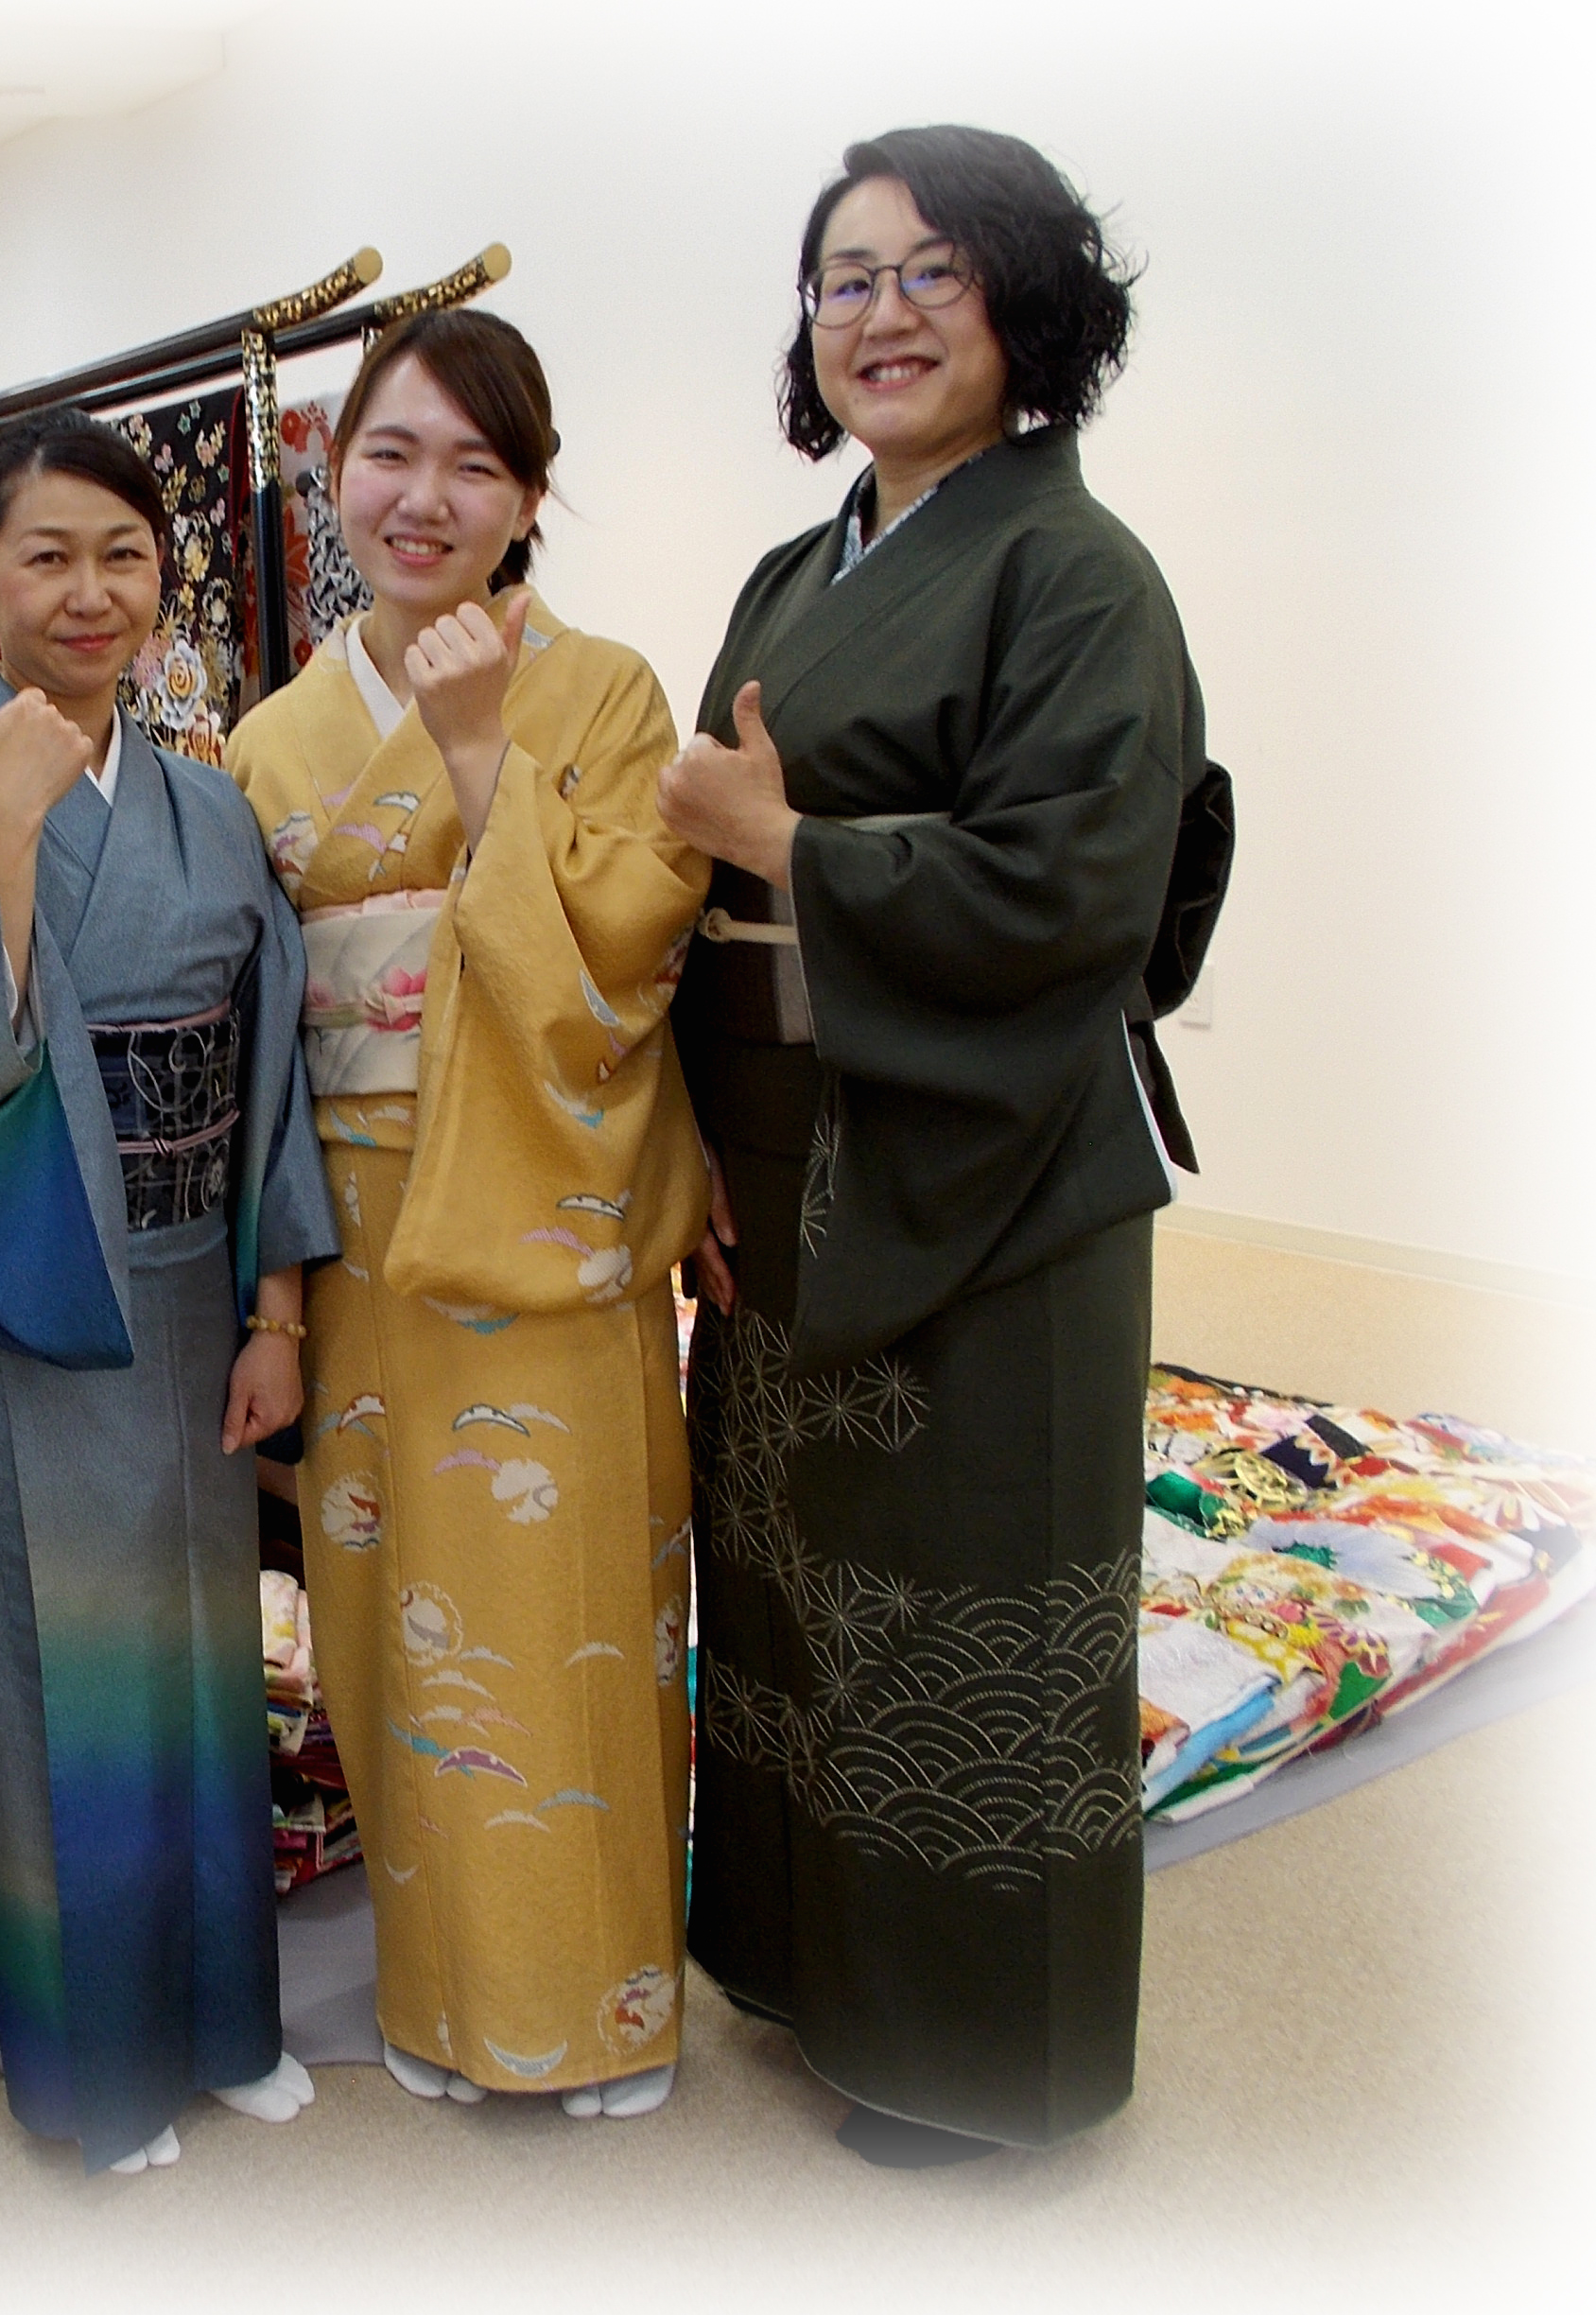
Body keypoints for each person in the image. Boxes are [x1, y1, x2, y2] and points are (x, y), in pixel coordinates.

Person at [657, 125, 1209, 2168]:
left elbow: (1076, 888)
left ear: (1023, 305)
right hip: (784, 1164)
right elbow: (699, 897)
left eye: (929, 273)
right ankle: (816, 1974)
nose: (877, 316)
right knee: (799, 1580)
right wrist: (695, 1151)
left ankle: (982, 2061)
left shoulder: (1080, 575)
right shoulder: (793, 574)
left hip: (991, 1173)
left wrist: (790, 843)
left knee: (964, 1595)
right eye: (843, 281)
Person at [0, 408, 336, 2177]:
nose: (90, 592)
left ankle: (223, 2020)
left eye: (125, 555)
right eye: (47, 555)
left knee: (198, 1670)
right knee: (49, 1691)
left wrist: (278, 1311)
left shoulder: (206, 800)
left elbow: (273, 1059)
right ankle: (95, 2073)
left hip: (190, 1301)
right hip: (20, 1294)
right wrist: (9, 829)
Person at [223, 310, 709, 2120]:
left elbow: (629, 963)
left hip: (545, 1217)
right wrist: (274, 1299)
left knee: (565, 1608)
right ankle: (439, 1990)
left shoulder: (608, 692)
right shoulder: (272, 738)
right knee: (391, 1610)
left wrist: (489, 751)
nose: (423, 499)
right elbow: (261, 1042)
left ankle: (605, 2009)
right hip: (358, 1233)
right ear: (332, 470)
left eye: (475, 465)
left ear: (529, 497)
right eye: (390, 453)